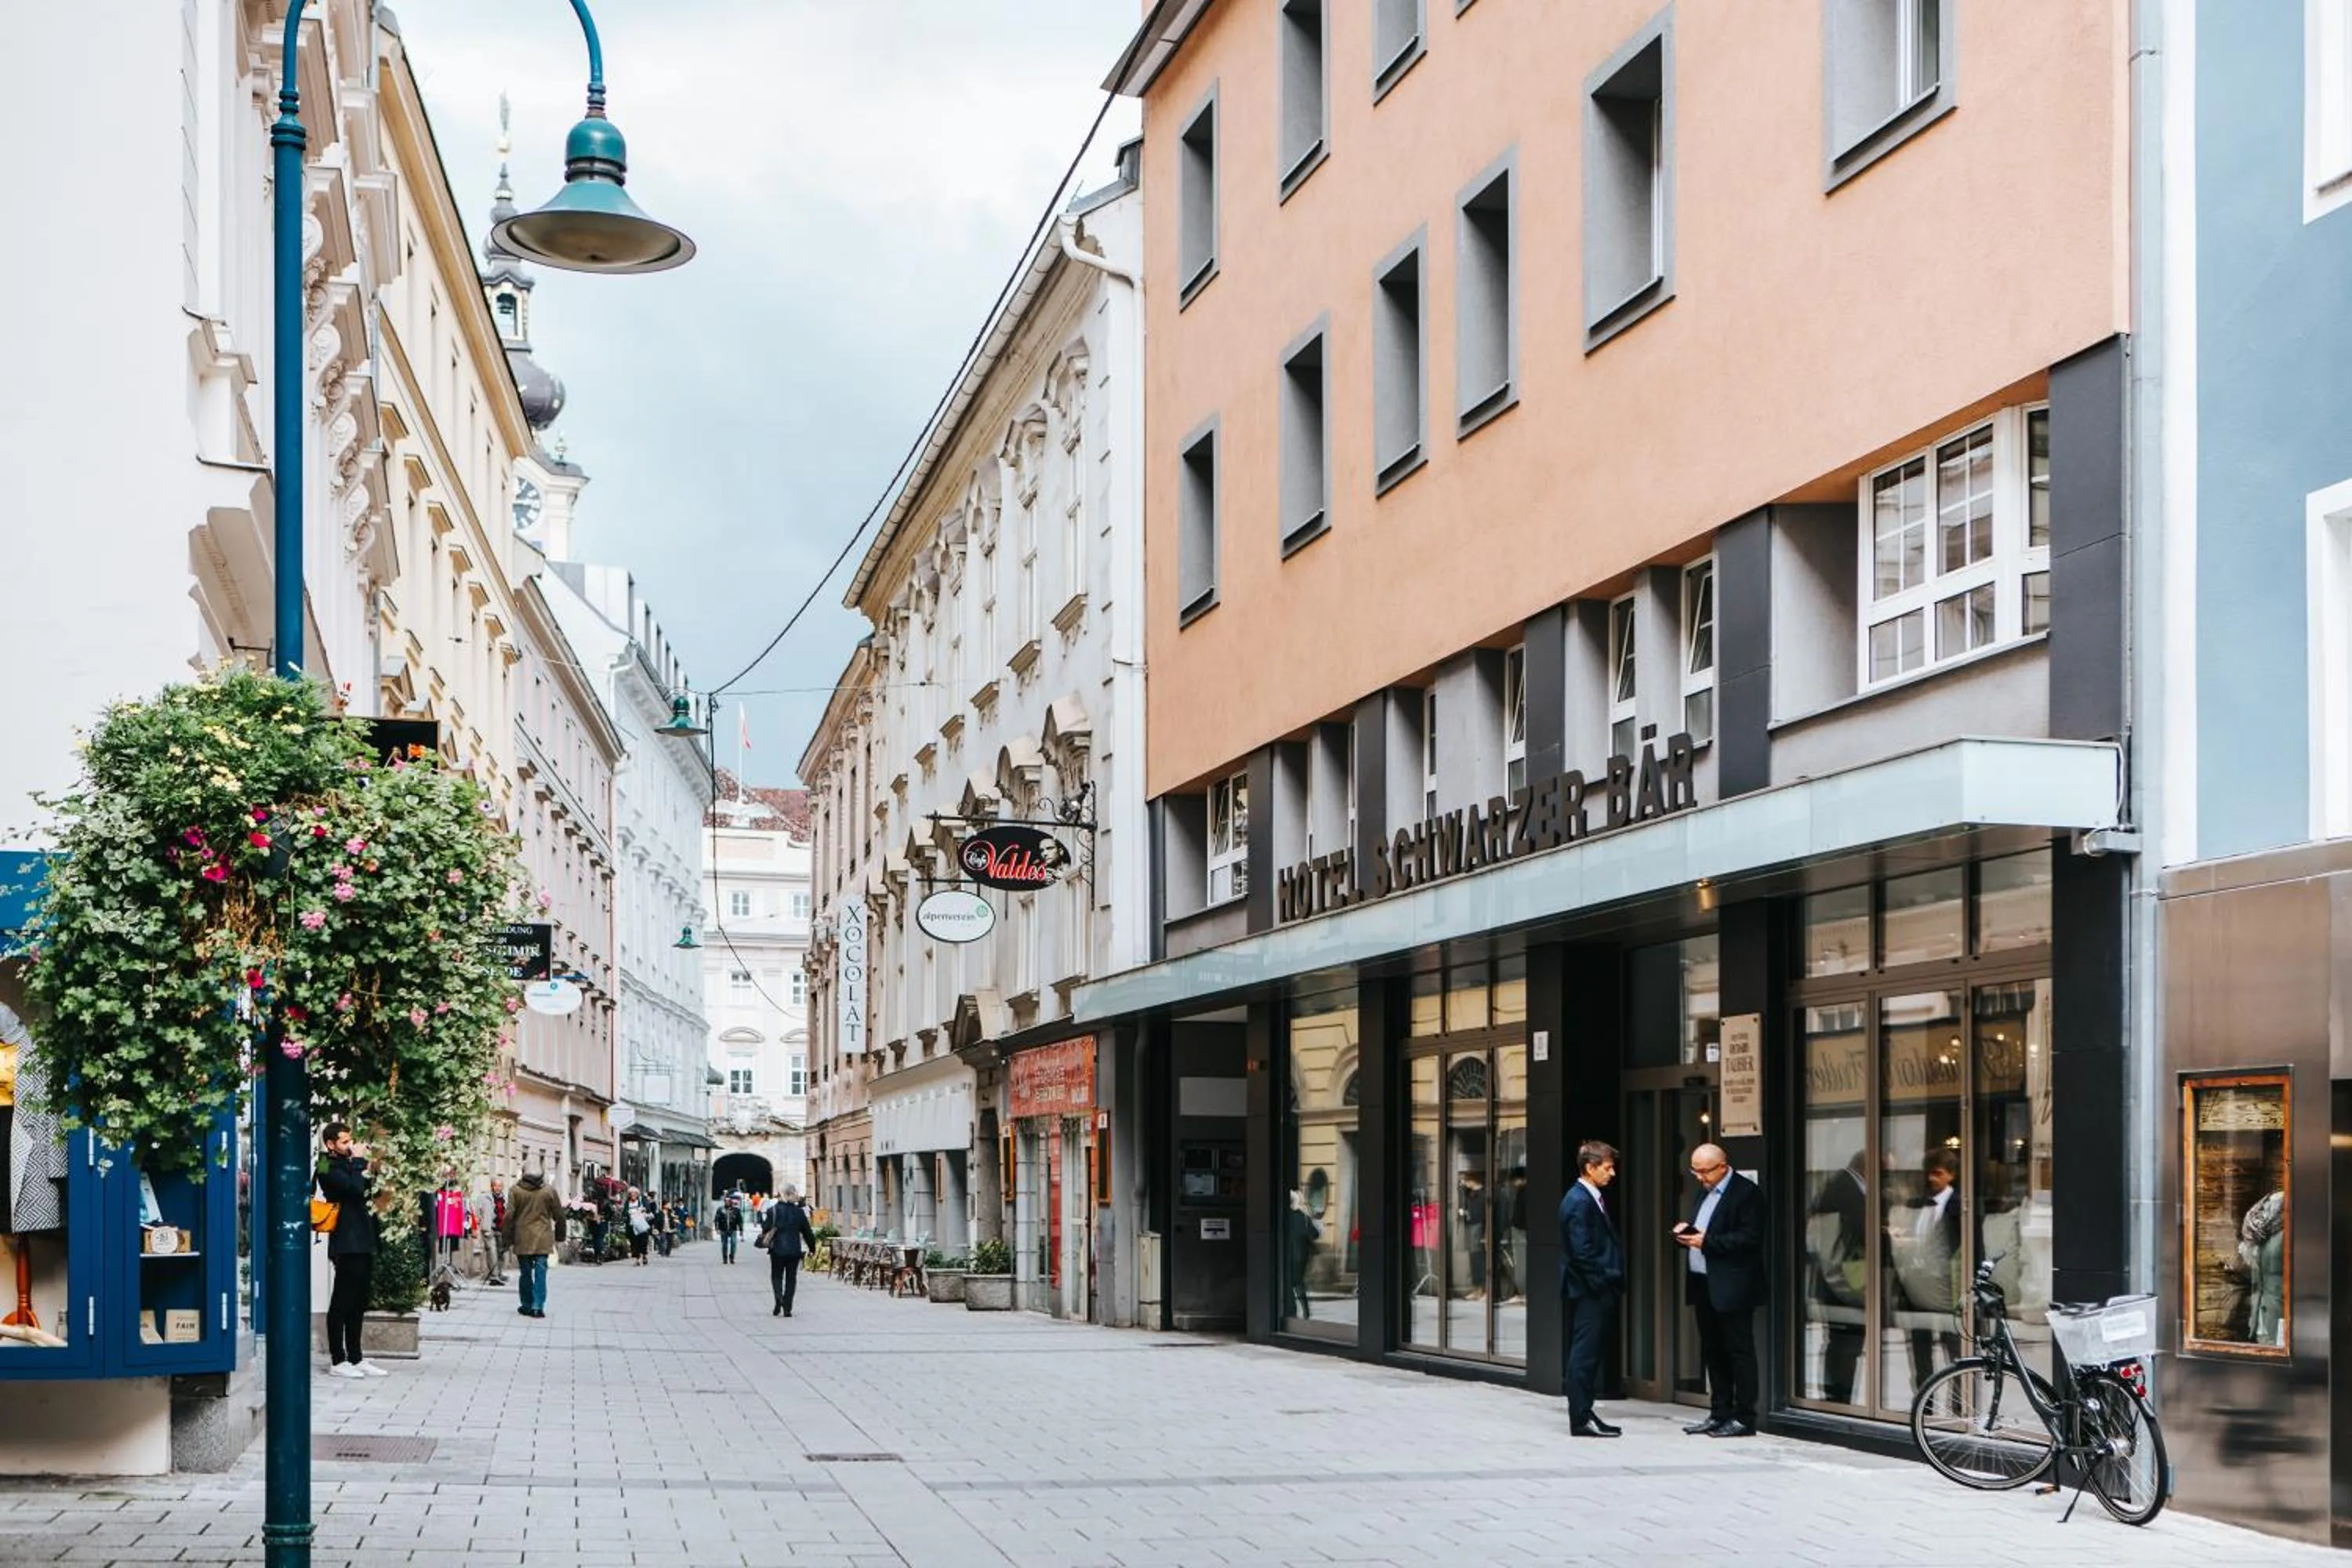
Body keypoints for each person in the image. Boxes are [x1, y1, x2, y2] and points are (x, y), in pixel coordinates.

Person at [1677, 1143, 1763, 1437]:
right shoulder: (1705, 1191)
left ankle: (1745, 1417)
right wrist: (1689, 1234)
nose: (1700, 1177)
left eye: (1704, 1171)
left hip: (1733, 1285)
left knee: (1739, 1351)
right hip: (1704, 1282)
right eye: (1695, 1171)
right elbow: (1707, 1228)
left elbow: (1749, 1239)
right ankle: (1719, 1412)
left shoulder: (1746, 1193)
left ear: (1723, 1166)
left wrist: (1707, 1242)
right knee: (1713, 1351)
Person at [1558, 1140, 1624, 1437]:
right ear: (1590, 1167)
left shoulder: (1588, 1197)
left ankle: (1585, 1413)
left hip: (1592, 1288)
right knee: (1584, 1354)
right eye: (1608, 1168)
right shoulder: (1578, 1200)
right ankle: (1581, 1417)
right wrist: (1601, 1285)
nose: (1612, 1174)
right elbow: (1582, 1251)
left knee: (1589, 1352)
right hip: (1589, 1290)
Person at [315, 1123, 387, 1380]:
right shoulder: (325, 1165)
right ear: (330, 1144)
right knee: (342, 1301)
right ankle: (338, 1359)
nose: (350, 1145)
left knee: (359, 1301)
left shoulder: (353, 1164)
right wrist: (357, 1162)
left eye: (351, 1141)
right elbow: (353, 1189)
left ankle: (356, 1357)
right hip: (346, 1241)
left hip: (364, 1238)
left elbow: (369, 1191)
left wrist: (367, 1165)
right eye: (344, 1142)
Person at [1805, 1149, 1868, 1404]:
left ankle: (1835, 1393)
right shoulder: (1846, 1188)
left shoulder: (1838, 1184)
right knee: (1847, 1341)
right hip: (1843, 1279)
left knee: (1840, 1340)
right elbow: (1862, 1231)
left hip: (1831, 1277)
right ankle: (1838, 1396)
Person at [1903, 1149, 1963, 1394]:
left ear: (1951, 1175)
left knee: (1954, 1348)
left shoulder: (1961, 1205)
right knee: (1920, 1347)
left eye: (1938, 1173)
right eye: (1929, 1173)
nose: (1931, 1178)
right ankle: (1924, 1402)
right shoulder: (1918, 1204)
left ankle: (1959, 1403)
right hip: (1918, 1284)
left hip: (1947, 1287)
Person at [502, 1168, 561, 1319]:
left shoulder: (515, 1191)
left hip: (523, 1238)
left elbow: (509, 1216)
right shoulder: (549, 1191)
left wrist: (507, 1239)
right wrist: (560, 1236)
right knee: (541, 1273)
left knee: (526, 1273)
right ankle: (538, 1307)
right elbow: (559, 1215)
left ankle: (526, 1305)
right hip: (542, 1239)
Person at [760, 1185, 818, 1317]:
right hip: (794, 1250)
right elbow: (807, 1232)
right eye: (795, 1194)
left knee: (776, 1276)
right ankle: (787, 1308)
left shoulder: (773, 1211)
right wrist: (812, 1248)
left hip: (777, 1250)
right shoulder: (799, 1212)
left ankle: (778, 1299)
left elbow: (765, 1228)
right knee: (791, 1279)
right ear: (791, 1195)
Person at [1284, 1189, 1322, 1319]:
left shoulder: (1282, 1217)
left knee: (1287, 1282)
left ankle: (1291, 1311)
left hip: (1287, 1255)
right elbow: (1315, 1234)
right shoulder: (1303, 1217)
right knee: (1298, 1282)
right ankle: (1306, 1311)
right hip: (1302, 1255)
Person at [483, 1179, 510, 1286]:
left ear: (502, 1187)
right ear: (492, 1187)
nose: (497, 1188)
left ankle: (499, 1273)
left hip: (502, 1229)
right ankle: (494, 1277)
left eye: (499, 1186)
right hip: (489, 1229)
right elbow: (478, 1211)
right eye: (495, 1186)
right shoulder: (485, 1198)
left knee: (501, 1252)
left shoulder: (506, 1199)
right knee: (492, 1252)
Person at [626, 1187, 652, 1265]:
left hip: (641, 1224)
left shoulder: (641, 1201)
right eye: (631, 1193)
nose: (633, 1195)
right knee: (634, 1242)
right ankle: (637, 1259)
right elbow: (624, 1212)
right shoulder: (627, 1202)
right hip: (632, 1225)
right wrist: (628, 1213)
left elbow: (648, 1209)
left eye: (635, 1193)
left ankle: (644, 1256)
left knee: (643, 1241)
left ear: (637, 1194)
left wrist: (642, 1211)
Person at [715, 1194, 744, 1264]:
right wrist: (717, 1228)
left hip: (733, 1229)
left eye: (729, 1201)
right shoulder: (721, 1210)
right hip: (723, 1229)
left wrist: (741, 1230)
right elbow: (716, 1219)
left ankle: (732, 1257)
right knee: (724, 1244)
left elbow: (740, 1220)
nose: (727, 1203)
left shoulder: (736, 1210)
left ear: (731, 1202)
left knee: (734, 1243)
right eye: (726, 1201)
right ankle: (725, 1258)